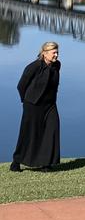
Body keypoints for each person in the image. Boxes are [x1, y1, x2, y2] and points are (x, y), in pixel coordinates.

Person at [10, 41, 61, 172]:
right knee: (28, 133)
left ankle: (46, 163)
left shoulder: (57, 65)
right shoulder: (34, 66)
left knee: (52, 130)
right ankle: (16, 162)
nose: (56, 55)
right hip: (33, 104)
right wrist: (26, 101)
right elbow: (21, 85)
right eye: (54, 52)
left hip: (50, 105)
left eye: (57, 52)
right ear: (45, 53)